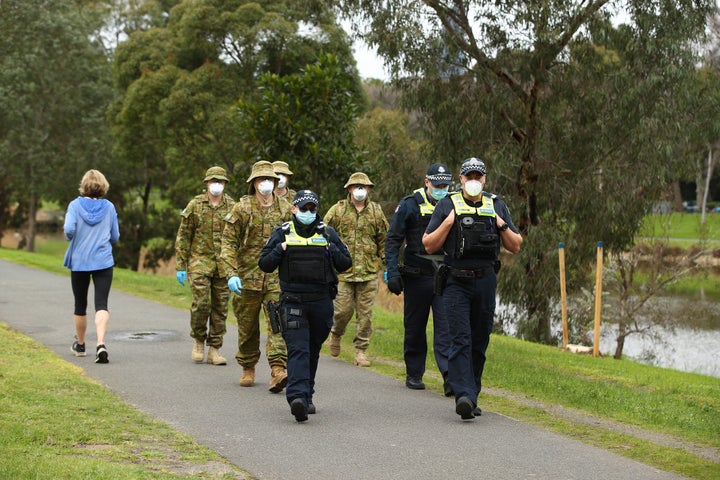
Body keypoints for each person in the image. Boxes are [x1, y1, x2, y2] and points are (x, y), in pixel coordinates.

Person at [422, 157, 522, 420]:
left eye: (479, 177)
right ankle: (463, 395)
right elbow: (429, 245)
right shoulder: (447, 204)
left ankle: (472, 395)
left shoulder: (496, 204)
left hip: (485, 281)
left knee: (479, 341)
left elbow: (516, 245)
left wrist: (500, 224)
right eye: (470, 177)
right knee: (460, 339)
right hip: (456, 281)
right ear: (461, 179)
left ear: (484, 179)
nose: (474, 181)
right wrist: (448, 222)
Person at [259, 190, 352, 422]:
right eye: (304, 209)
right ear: (293, 209)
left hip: (321, 302)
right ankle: (297, 398)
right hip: (293, 302)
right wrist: (279, 251)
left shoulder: (327, 233)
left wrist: (331, 245)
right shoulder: (283, 233)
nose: (309, 213)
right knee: (299, 348)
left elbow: (345, 264)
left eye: (313, 209)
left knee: (311, 349)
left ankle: (307, 395)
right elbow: (265, 264)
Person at [220, 160, 292, 392]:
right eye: (261, 180)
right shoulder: (242, 208)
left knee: (277, 324)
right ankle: (248, 365)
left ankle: (278, 369)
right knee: (247, 326)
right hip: (246, 278)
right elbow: (228, 243)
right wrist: (231, 273)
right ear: (253, 184)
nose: (266, 184)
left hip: (276, 279)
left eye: (269, 180)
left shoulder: (286, 209)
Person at [385, 163, 452, 393]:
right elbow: (393, 239)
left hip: (444, 277)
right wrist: (392, 271)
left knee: (446, 328)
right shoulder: (410, 205)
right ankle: (414, 373)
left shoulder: (453, 204)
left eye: (445, 185)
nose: (441, 189)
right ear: (427, 182)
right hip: (417, 277)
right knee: (415, 328)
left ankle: (449, 376)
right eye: (437, 185)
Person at [323, 172, 389, 367]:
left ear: (368, 189)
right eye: (356, 186)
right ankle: (335, 334)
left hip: (368, 271)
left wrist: (388, 265)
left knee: (366, 315)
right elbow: (323, 232)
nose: (360, 190)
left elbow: (384, 240)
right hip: (344, 272)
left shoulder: (376, 212)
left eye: (363, 186)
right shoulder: (338, 210)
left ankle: (361, 351)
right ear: (349, 189)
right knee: (342, 311)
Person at [175, 166, 235, 365]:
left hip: (224, 264)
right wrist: (181, 265)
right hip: (200, 262)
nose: (216, 185)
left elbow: (238, 237)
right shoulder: (195, 205)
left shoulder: (232, 206)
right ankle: (199, 340)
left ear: (225, 184)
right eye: (213, 181)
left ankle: (215, 349)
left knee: (221, 307)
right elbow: (183, 236)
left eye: (220, 181)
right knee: (202, 303)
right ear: (207, 183)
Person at [63, 169, 120, 364]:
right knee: (101, 304)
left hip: (79, 261)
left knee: (80, 305)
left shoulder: (74, 205)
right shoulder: (109, 207)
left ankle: (80, 345)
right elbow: (115, 236)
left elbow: (69, 229)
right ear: (103, 186)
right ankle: (101, 343)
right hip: (103, 261)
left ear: (84, 185)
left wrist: (73, 238)